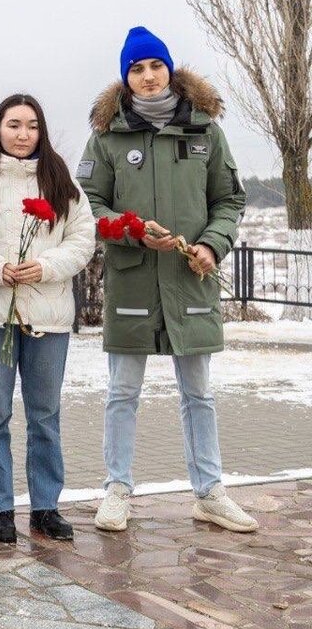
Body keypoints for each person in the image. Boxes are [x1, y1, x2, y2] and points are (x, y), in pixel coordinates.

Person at [80, 26, 256, 533]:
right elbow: (90, 205)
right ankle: (116, 490)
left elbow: (229, 200)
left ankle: (210, 492)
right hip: (133, 281)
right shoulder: (108, 136)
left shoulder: (206, 131)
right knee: (122, 392)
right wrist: (133, 232)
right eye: (137, 68)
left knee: (198, 393)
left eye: (155, 65)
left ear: (170, 70)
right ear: (125, 78)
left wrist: (211, 245)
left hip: (190, 277)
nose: (148, 76)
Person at [0, 93, 94, 543]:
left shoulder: (61, 182)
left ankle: (46, 505)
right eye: (13, 125)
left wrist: (46, 266)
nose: (23, 134)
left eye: (31, 125)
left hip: (47, 314)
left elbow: (82, 238)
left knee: (44, 415)